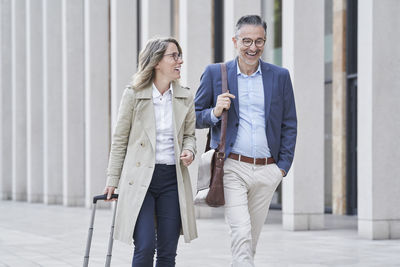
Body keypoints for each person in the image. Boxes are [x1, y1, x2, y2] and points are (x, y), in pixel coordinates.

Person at [195, 15, 297, 267]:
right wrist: (215, 112)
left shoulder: (279, 76)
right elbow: (194, 117)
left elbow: (289, 123)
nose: (253, 47)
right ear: (235, 41)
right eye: (247, 41)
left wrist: (281, 167)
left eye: (259, 41)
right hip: (233, 167)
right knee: (240, 232)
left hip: (268, 169)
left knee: (250, 239)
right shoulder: (215, 73)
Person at [103, 37, 197, 267]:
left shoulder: (185, 96)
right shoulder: (134, 94)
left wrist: (189, 150)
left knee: (167, 253)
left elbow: (189, 135)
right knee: (145, 247)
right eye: (173, 56)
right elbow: (120, 141)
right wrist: (112, 179)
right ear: (156, 62)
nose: (180, 61)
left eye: (179, 55)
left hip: (172, 180)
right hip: (139, 180)